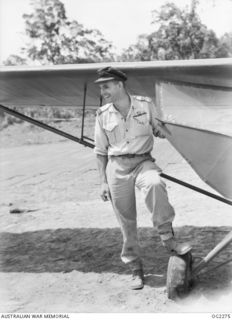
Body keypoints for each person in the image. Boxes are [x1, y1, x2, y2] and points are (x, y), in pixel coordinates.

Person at [94, 66, 191, 290]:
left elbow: (161, 131)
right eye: (101, 87)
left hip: (142, 161)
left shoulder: (145, 105)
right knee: (126, 221)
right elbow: (100, 151)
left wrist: (172, 125)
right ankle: (136, 269)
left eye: (106, 86)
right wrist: (102, 181)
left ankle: (168, 238)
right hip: (116, 167)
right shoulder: (102, 114)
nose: (103, 91)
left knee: (155, 183)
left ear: (119, 84)